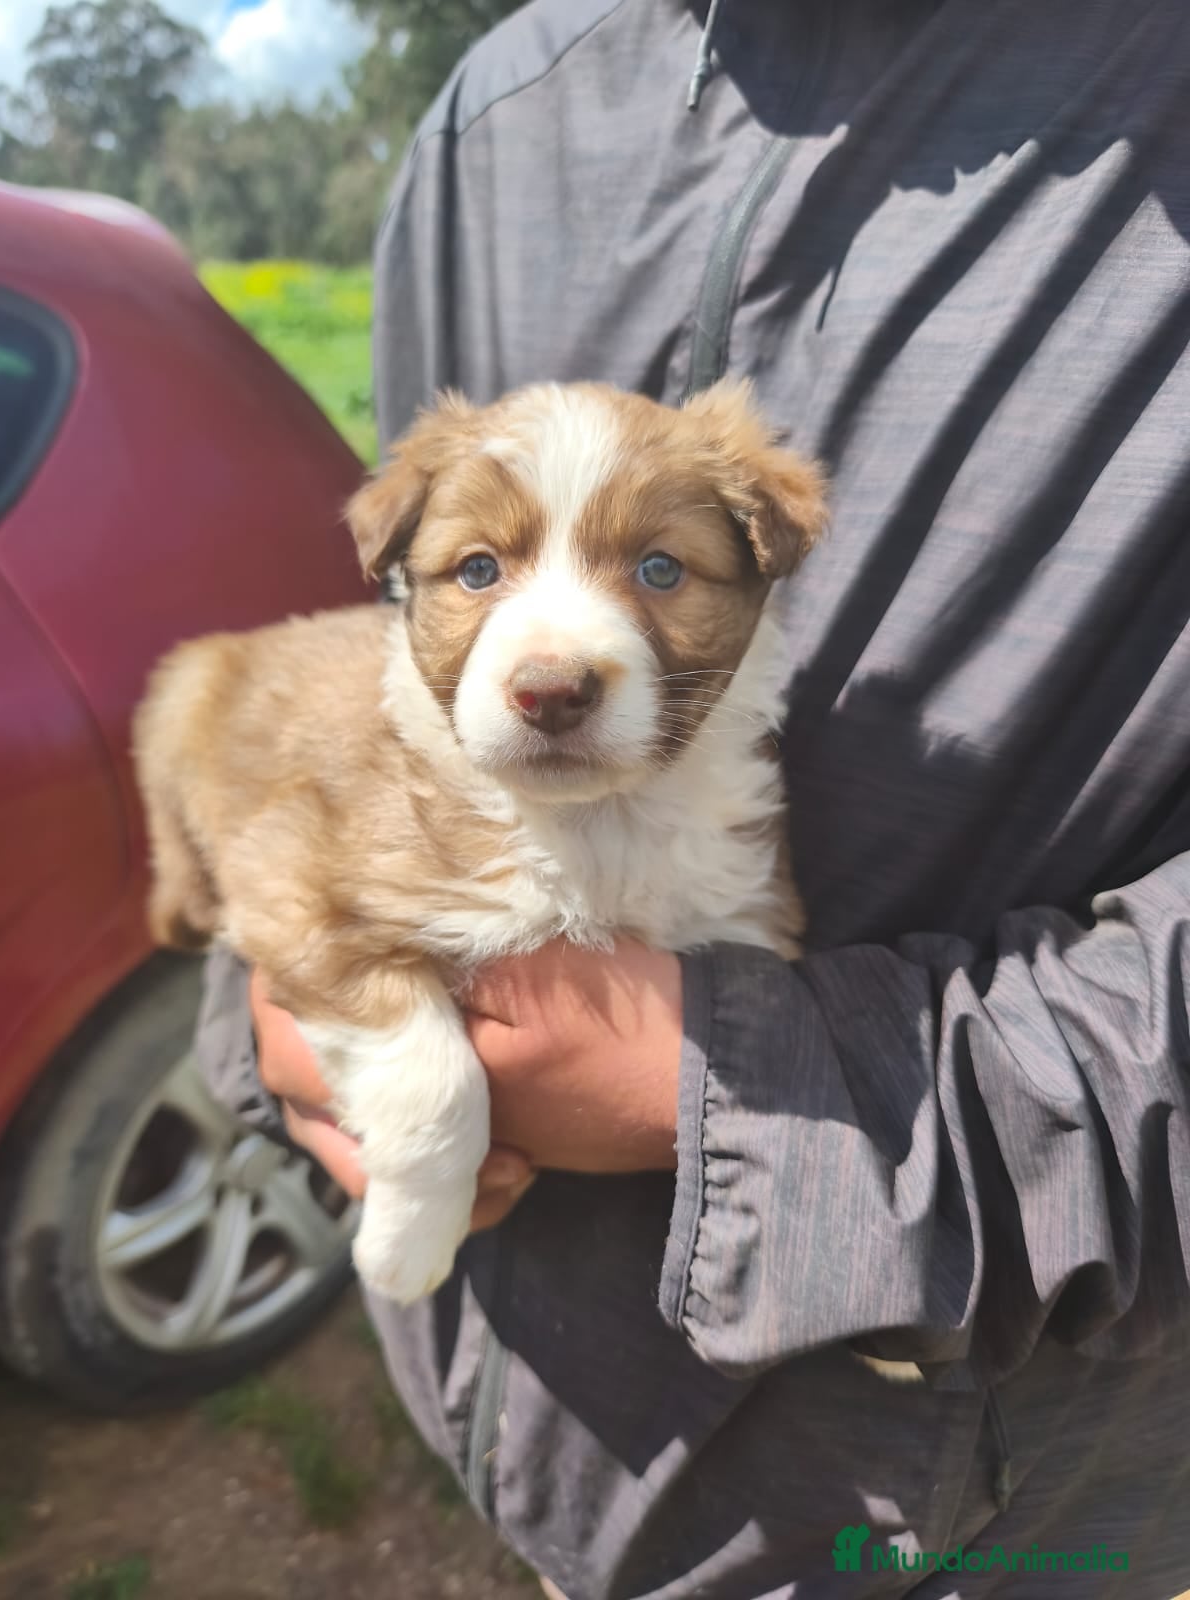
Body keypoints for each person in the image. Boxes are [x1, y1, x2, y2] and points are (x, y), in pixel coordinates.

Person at [194, 2, 1190, 1594]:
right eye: (494, 565)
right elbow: (372, 692)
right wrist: (275, 1005)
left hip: (961, 1502)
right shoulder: (495, 117)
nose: (554, 653)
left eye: (658, 568)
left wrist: (736, 1092)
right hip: (516, 1420)